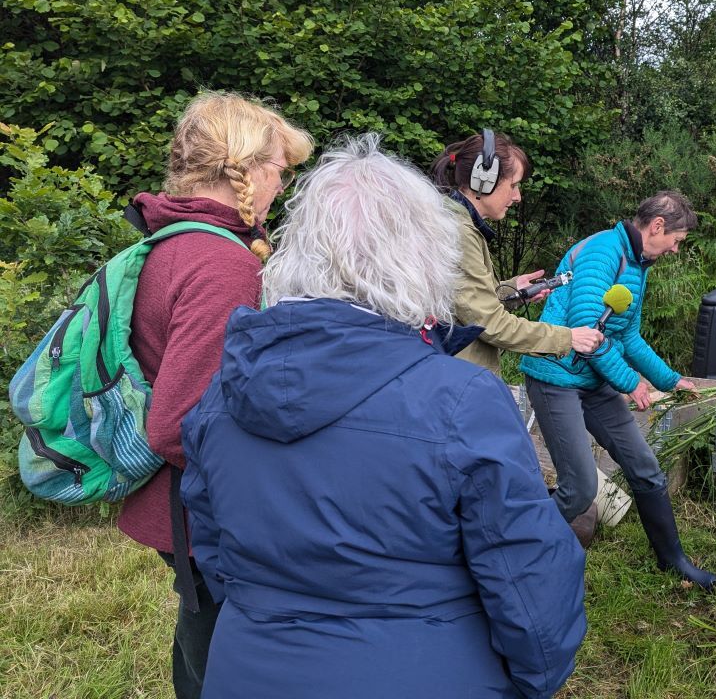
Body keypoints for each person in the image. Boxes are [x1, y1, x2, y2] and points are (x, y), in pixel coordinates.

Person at [179, 135, 586, 699]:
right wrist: (532, 682)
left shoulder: (221, 393)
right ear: (424, 257)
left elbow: (213, 550)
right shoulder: (465, 400)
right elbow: (530, 579)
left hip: (247, 669)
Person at [116, 91, 312, 699]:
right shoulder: (220, 263)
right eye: (280, 168)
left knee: (197, 638)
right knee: (223, 659)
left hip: (181, 509)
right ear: (246, 169)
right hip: (201, 512)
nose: (282, 182)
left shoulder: (174, 239)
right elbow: (176, 424)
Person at [520, 190, 716, 591]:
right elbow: (587, 329)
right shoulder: (604, 251)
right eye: (677, 241)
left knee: (646, 470)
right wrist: (629, 383)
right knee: (579, 490)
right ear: (658, 226)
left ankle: (672, 560)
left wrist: (669, 379)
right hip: (555, 377)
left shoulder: (637, 264)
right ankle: (515, 552)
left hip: (592, 381)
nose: (676, 250)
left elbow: (626, 335)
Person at [431, 129, 603, 373]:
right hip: (457, 379)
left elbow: (459, 304)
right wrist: (567, 338)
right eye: (513, 185)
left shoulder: (454, 222)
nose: (517, 197)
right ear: (484, 180)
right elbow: (489, 324)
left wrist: (510, 291)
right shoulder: (459, 232)